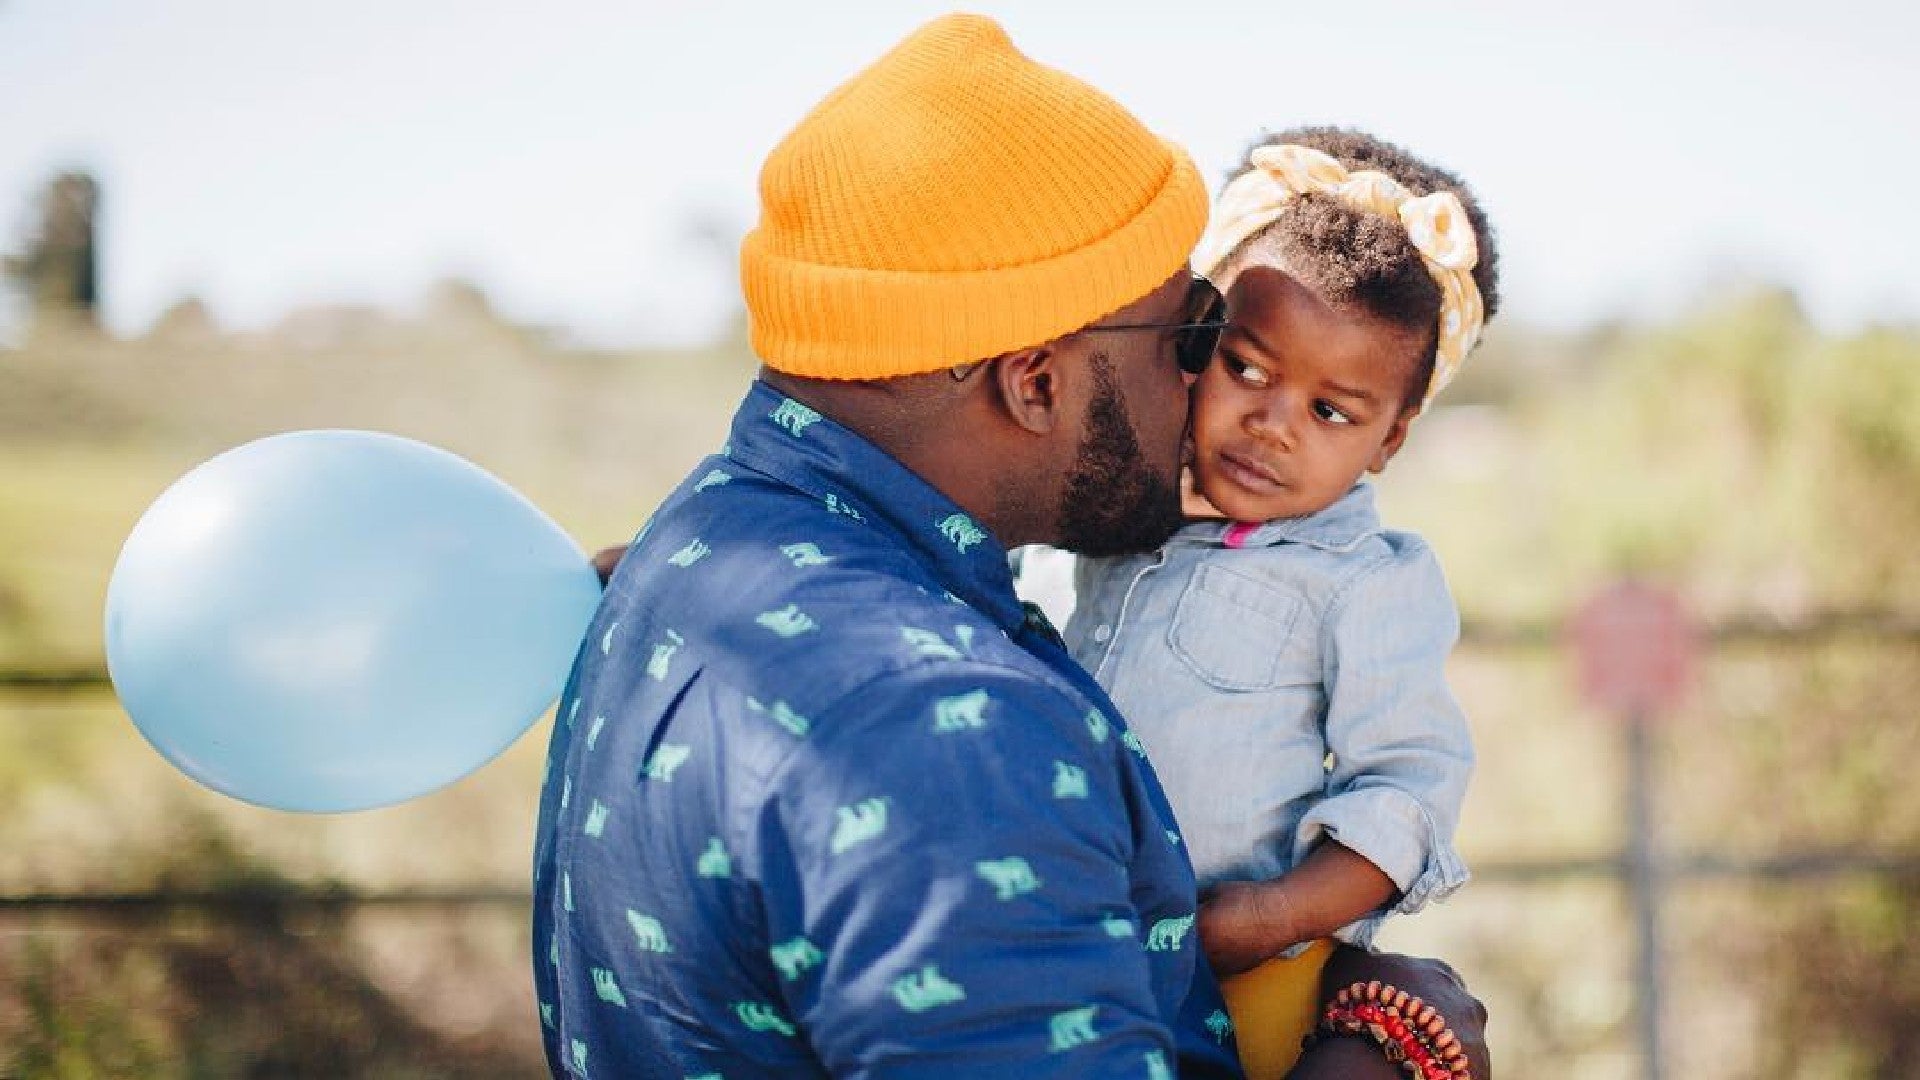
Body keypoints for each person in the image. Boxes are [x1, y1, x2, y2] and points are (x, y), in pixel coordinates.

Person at [542, 14, 1487, 1078]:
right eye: (1194, 336)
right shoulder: (953, 736)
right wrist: (1384, 1056)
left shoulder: (691, 556)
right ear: (1036, 380)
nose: (1208, 389)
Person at [1056, 127, 1499, 1079]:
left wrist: (1273, 915)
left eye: (1333, 412)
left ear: (1391, 439)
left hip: (1252, 969)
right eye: (1248, 368)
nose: (1273, 426)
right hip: (1077, 950)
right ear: (1195, 342)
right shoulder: (1116, 510)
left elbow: (1408, 791)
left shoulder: (1366, 580)